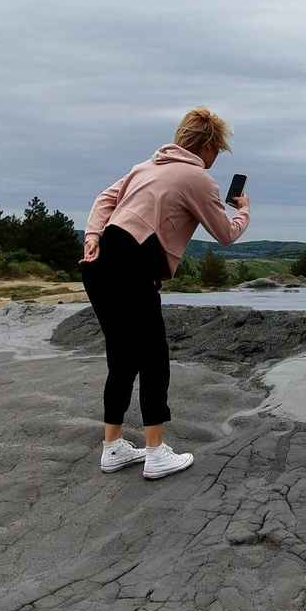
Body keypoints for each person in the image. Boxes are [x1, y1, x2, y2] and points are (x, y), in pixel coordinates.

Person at [80, 107, 251, 481]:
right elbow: (225, 233)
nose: (215, 157)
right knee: (153, 358)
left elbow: (104, 199)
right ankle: (156, 452)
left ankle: (113, 446)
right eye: (217, 150)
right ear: (208, 145)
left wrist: (92, 236)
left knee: (122, 358)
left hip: (99, 265)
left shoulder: (145, 167)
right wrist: (244, 213)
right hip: (133, 265)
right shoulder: (198, 178)